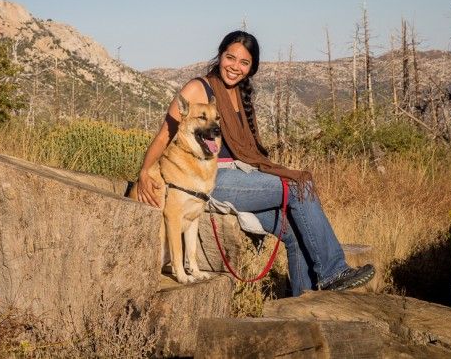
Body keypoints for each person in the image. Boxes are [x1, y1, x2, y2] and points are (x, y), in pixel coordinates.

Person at [135, 30, 375, 296]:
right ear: (220, 55)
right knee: (295, 187)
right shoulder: (198, 88)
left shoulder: (239, 94)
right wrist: (145, 171)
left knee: (292, 230)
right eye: (230, 58)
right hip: (213, 179)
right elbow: (164, 134)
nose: (235, 67)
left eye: (244, 63)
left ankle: (302, 305)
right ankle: (333, 271)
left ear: (251, 68)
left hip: (242, 175)